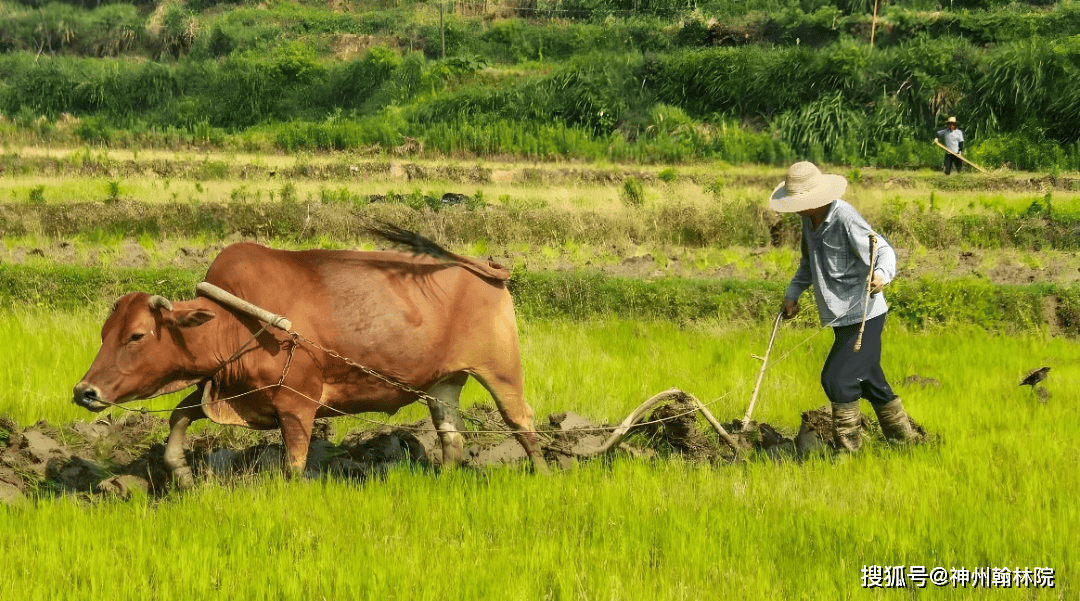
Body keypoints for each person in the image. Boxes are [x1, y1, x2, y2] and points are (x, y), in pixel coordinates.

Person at [770, 161, 923, 452]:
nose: (797, 208)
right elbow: (808, 263)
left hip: (864, 314)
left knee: (836, 379)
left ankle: (848, 454)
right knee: (869, 380)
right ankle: (906, 442)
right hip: (839, 318)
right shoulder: (808, 220)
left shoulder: (844, 217)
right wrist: (793, 294)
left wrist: (880, 275)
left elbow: (884, 249)